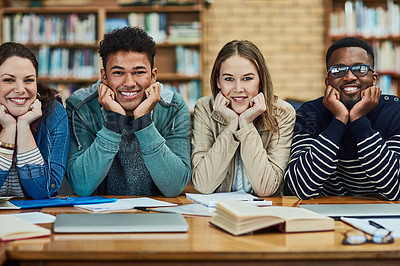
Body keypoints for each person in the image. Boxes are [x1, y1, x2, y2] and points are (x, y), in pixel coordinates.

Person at [66, 26, 191, 197]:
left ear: (153, 76)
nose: (129, 82)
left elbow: (174, 186)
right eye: (118, 72)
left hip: (157, 216)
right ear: (104, 76)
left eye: (139, 72)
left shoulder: (173, 107)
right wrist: (113, 123)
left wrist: (144, 123)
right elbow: (81, 185)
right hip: (99, 216)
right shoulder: (80, 106)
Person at [284, 37, 400, 201]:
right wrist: (338, 122)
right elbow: (300, 187)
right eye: (338, 70)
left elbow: (395, 188)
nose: (349, 77)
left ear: (374, 78)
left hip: (385, 214)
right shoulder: (310, 113)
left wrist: (360, 121)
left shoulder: (395, 112)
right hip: (327, 212)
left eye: (359, 68)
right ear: (328, 81)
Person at [191, 40, 296, 196]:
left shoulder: (283, 113)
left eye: (247, 79)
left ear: (261, 81)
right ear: (218, 81)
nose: (238, 89)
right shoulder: (205, 108)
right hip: (217, 211)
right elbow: (203, 184)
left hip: (265, 211)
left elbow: (266, 188)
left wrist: (246, 125)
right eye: (228, 79)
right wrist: (231, 125)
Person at [0, 42, 69, 199]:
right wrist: (9, 128)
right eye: (9, 80)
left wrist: (23, 127)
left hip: (36, 215)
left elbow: (42, 190)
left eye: (29, 80)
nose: (20, 89)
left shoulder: (53, 113)